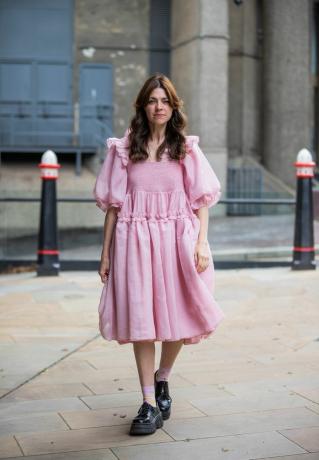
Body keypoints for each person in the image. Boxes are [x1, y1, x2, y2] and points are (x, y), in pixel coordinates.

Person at [93, 73, 225, 436]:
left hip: (177, 241)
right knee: (141, 320)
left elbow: (201, 202)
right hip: (134, 242)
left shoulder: (185, 148)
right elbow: (114, 208)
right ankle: (148, 403)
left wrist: (200, 243)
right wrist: (105, 254)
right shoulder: (123, 150)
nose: (159, 106)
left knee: (180, 315)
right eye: (152, 100)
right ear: (143, 106)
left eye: (164, 100)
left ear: (173, 105)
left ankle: (162, 376)